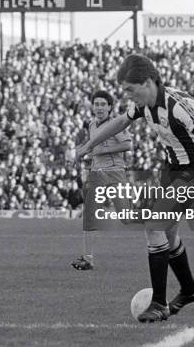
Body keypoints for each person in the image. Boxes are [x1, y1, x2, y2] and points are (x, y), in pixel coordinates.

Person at [77, 54, 194, 323]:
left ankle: (159, 303)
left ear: (147, 82)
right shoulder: (146, 105)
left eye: (130, 90)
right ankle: (190, 290)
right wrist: (88, 146)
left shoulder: (177, 105)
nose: (127, 96)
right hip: (171, 169)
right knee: (167, 234)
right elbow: (120, 122)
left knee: (154, 226)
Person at [71, 90, 133, 271]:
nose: (99, 107)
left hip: (115, 173)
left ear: (109, 107)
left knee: (126, 218)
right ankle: (87, 259)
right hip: (97, 173)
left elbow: (127, 144)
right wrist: (86, 163)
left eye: (102, 104)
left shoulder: (116, 124)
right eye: (96, 104)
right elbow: (93, 150)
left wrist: (100, 151)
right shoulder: (91, 125)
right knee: (89, 216)